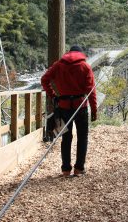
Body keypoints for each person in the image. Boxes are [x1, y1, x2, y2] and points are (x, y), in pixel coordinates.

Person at [41, 45, 97, 177]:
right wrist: (94, 109)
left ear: (69, 53)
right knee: (82, 137)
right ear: (80, 53)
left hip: (64, 106)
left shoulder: (58, 65)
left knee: (66, 137)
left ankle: (66, 169)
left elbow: (44, 80)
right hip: (81, 106)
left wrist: (53, 94)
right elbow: (91, 90)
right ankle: (79, 168)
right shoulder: (85, 67)